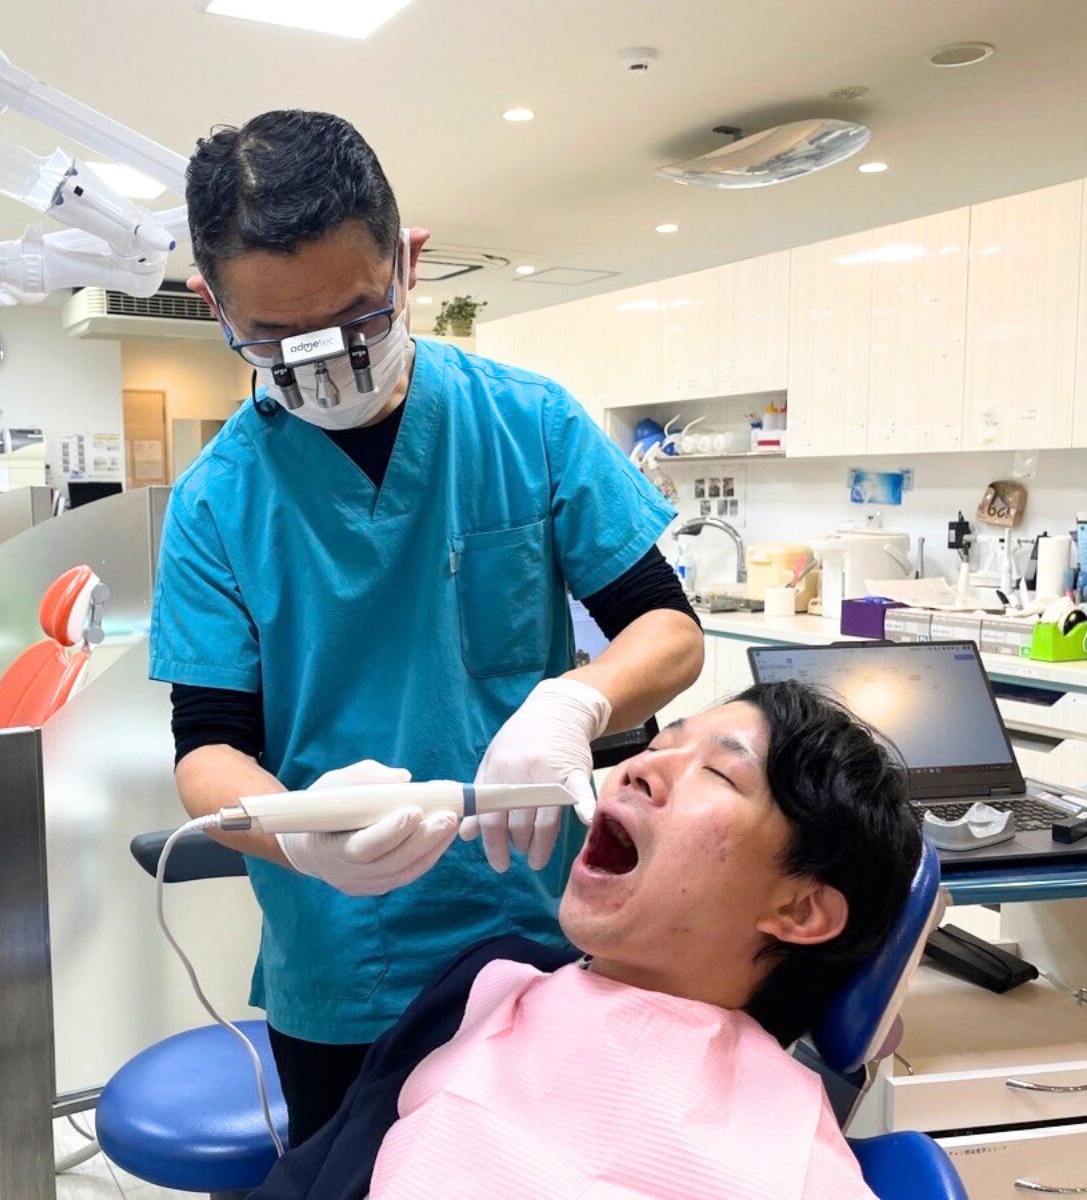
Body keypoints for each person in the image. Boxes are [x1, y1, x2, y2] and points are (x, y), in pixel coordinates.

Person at [151, 108, 706, 1141]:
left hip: (539, 923)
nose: (325, 365)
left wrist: (574, 703)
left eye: (356, 319)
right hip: (343, 962)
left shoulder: (527, 423)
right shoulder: (217, 501)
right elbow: (207, 751)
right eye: (275, 340)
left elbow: (667, 632)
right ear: (212, 304)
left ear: (407, 263)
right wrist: (295, 834)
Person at [250, 681, 923, 1199]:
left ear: (801, 908)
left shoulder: (797, 1169)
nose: (634, 769)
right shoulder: (489, 984)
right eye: (657, 745)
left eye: (719, 773)